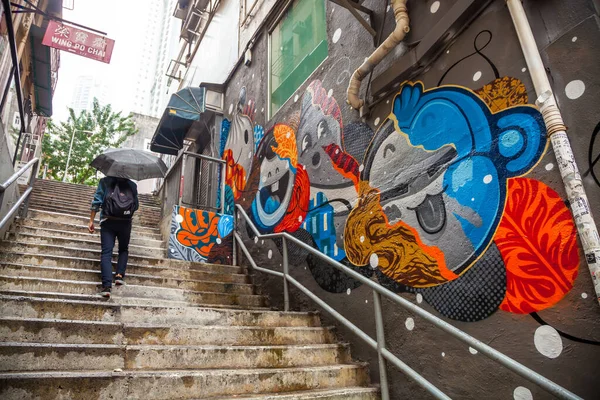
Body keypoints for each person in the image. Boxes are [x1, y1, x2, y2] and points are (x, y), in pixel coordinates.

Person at [89, 176, 139, 298]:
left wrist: (91, 220)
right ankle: (119, 276)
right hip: (125, 222)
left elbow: (97, 201)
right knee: (123, 249)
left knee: (106, 252)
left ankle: (106, 287)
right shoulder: (132, 185)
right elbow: (136, 206)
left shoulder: (105, 181)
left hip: (108, 220)